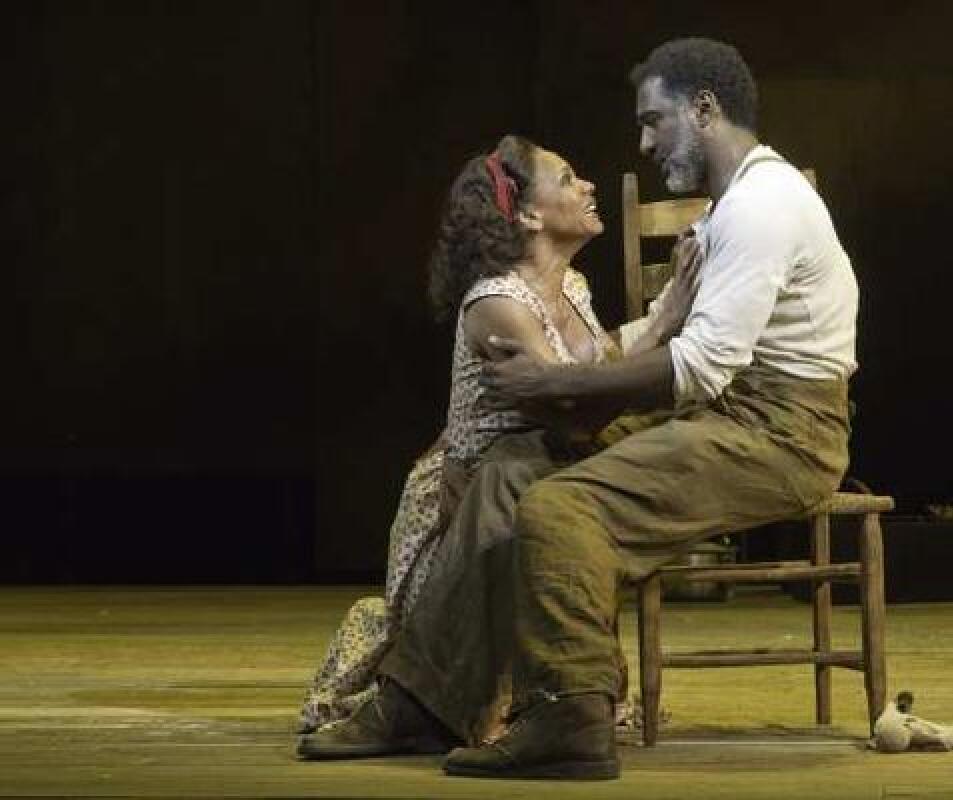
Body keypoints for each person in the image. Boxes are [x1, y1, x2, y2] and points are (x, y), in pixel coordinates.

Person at [301, 36, 857, 781]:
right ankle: (418, 699)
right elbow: (685, 350)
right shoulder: (736, 205)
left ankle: (571, 713)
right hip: (730, 410)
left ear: (704, 109)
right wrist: (596, 367)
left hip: (782, 432)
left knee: (563, 511)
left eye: (654, 122)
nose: (644, 142)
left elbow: (699, 366)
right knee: (510, 471)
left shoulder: (762, 206)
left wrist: (549, 388)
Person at [294, 133, 699, 754]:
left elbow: (593, 362)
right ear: (530, 215)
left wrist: (669, 309)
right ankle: (422, 701)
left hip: (538, 470)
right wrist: (666, 331)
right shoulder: (496, 304)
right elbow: (570, 410)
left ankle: (535, 700)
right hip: (468, 499)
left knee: (552, 488)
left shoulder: (575, 289)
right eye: (567, 179)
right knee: (527, 484)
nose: (588, 185)